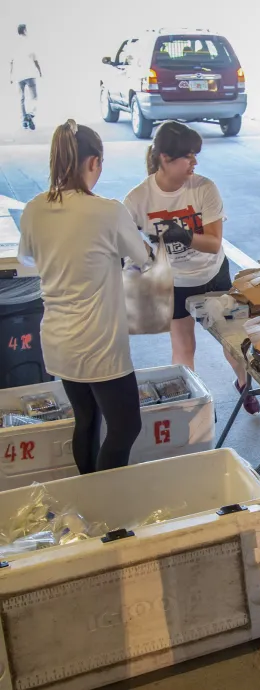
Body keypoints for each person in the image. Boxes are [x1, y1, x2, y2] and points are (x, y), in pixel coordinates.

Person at [17, 120, 146, 474]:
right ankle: (104, 503)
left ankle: (87, 498)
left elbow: (27, 260)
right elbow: (145, 258)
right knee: (125, 426)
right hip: (99, 341)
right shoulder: (108, 210)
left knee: (86, 419)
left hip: (59, 339)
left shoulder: (33, 209)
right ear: (93, 162)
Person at [124, 121, 259, 414]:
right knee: (184, 347)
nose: (194, 162)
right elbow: (126, 246)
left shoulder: (204, 188)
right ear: (164, 159)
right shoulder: (137, 200)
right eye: (188, 156)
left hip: (212, 274)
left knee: (231, 343)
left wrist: (184, 236)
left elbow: (213, 243)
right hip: (175, 282)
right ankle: (190, 407)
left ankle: (243, 384)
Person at [8, 24, 41, 130]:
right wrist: (39, 71)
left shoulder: (13, 44)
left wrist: (11, 76)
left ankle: (24, 120)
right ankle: (30, 115)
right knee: (34, 97)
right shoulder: (28, 42)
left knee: (21, 99)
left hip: (19, 76)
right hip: (30, 74)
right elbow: (35, 59)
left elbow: (11, 62)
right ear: (25, 30)